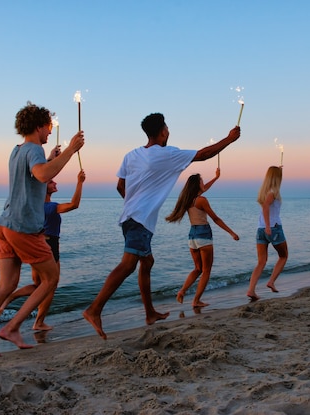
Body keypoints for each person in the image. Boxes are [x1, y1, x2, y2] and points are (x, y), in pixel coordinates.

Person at [83, 113, 241, 339]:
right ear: (163, 131)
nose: (168, 131)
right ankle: (94, 309)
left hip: (129, 218)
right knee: (128, 265)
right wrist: (229, 139)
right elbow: (203, 155)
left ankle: (149, 313)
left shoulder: (131, 155)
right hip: (139, 220)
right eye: (167, 128)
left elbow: (120, 186)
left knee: (147, 262)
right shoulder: (166, 154)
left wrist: (134, 204)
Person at [0, 102, 84, 358]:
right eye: (48, 128)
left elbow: (32, 175)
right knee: (51, 279)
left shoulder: (17, 151)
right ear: (38, 127)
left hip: (4, 224)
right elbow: (40, 175)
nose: (50, 133)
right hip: (24, 228)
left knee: (5, 285)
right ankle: (13, 327)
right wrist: (70, 150)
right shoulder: (35, 149)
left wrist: (51, 159)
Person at [0, 170, 86, 331]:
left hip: (35, 245)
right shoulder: (50, 207)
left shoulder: (34, 207)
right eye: (51, 182)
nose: (55, 183)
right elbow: (74, 205)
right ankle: (38, 322)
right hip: (50, 245)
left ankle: (11, 297)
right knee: (50, 285)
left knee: (39, 284)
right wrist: (80, 182)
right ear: (44, 188)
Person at [165, 168, 239, 307]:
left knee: (197, 269)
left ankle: (182, 291)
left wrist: (216, 177)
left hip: (192, 237)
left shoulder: (188, 200)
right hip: (203, 236)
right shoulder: (202, 200)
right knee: (206, 271)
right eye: (201, 181)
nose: (203, 183)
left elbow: (204, 189)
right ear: (197, 184)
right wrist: (231, 232)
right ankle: (196, 301)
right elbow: (215, 219)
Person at [246, 166, 288, 301]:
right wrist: (269, 227)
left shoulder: (265, 192)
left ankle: (251, 290)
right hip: (273, 228)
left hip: (260, 230)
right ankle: (271, 281)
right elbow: (265, 208)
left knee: (261, 262)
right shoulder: (273, 192)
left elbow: (265, 206)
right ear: (277, 178)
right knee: (283, 256)